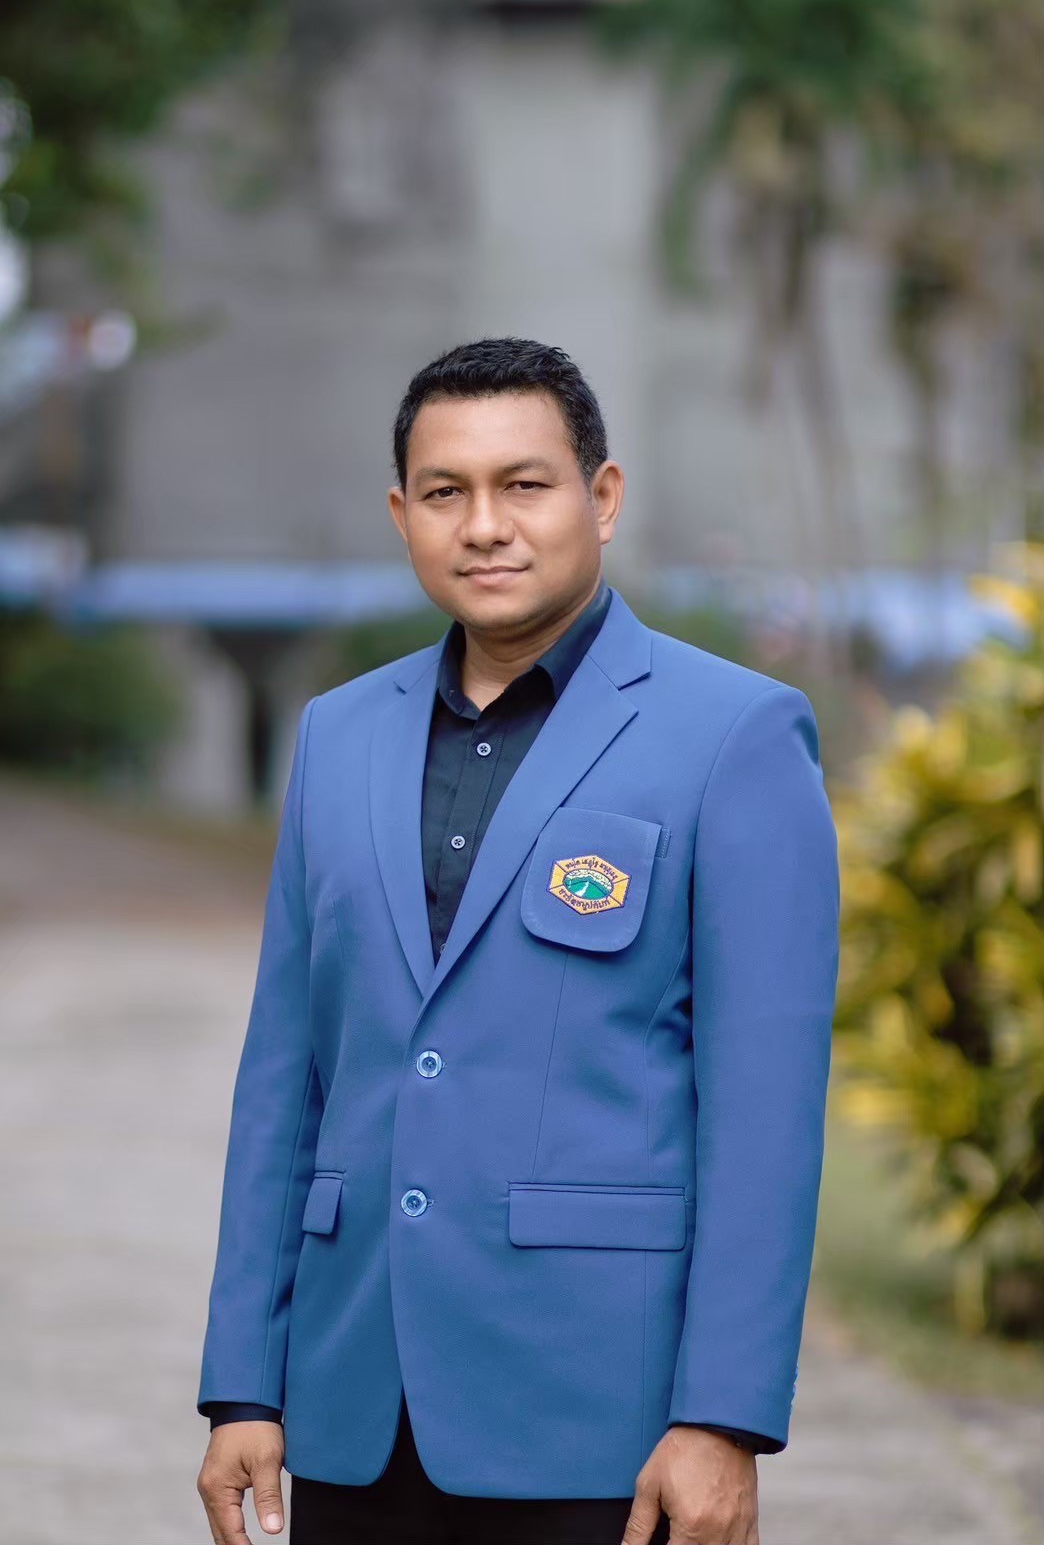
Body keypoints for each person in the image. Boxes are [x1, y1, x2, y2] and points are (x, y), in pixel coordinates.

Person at [195, 337, 840, 1545]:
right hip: (352, 1403)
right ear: (403, 515)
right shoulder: (338, 736)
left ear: (603, 497)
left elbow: (766, 1115)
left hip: (599, 1418)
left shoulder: (734, 736)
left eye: (525, 485)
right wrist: (244, 1383)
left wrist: (723, 1419)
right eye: (446, 491)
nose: (485, 526)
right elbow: (285, 1077)